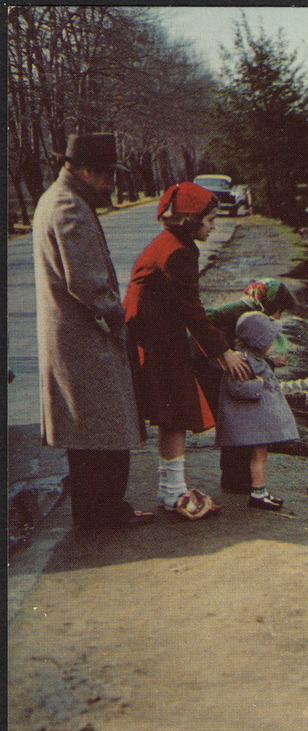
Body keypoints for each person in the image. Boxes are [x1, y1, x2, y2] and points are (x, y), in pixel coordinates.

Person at [32, 133, 152, 532]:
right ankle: (104, 513)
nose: (111, 185)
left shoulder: (56, 199)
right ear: (87, 170)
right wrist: (117, 317)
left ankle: (97, 513)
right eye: (107, 176)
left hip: (74, 341)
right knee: (103, 431)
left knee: (89, 433)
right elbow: (87, 282)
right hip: (86, 342)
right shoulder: (69, 206)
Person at [123, 182, 251, 516]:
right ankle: (173, 492)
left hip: (154, 333)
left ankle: (170, 489)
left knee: (171, 412)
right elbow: (192, 311)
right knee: (176, 410)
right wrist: (224, 352)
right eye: (210, 220)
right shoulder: (177, 253)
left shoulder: (173, 243)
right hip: (156, 338)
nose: (214, 226)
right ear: (189, 221)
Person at [193, 279, 297, 492]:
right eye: (279, 311)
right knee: (236, 424)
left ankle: (238, 478)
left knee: (239, 424)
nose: (278, 317)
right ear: (272, 304)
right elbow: (206, 319)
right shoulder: (240, 310)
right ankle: (235, 479)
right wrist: (224, 351)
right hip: (213, 370)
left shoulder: (250, 310)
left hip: (223, 369)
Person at [215, 312, 299, 510]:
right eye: (267, 340)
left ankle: (260, 492)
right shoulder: (244, 361)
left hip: (256, 422)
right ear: (258, 342)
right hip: (254, 425)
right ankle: (258, 494)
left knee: (260, 457)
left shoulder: (251, 358)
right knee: (258, 458)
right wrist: (258, 384)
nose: (270, 344)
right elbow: (236, 388)